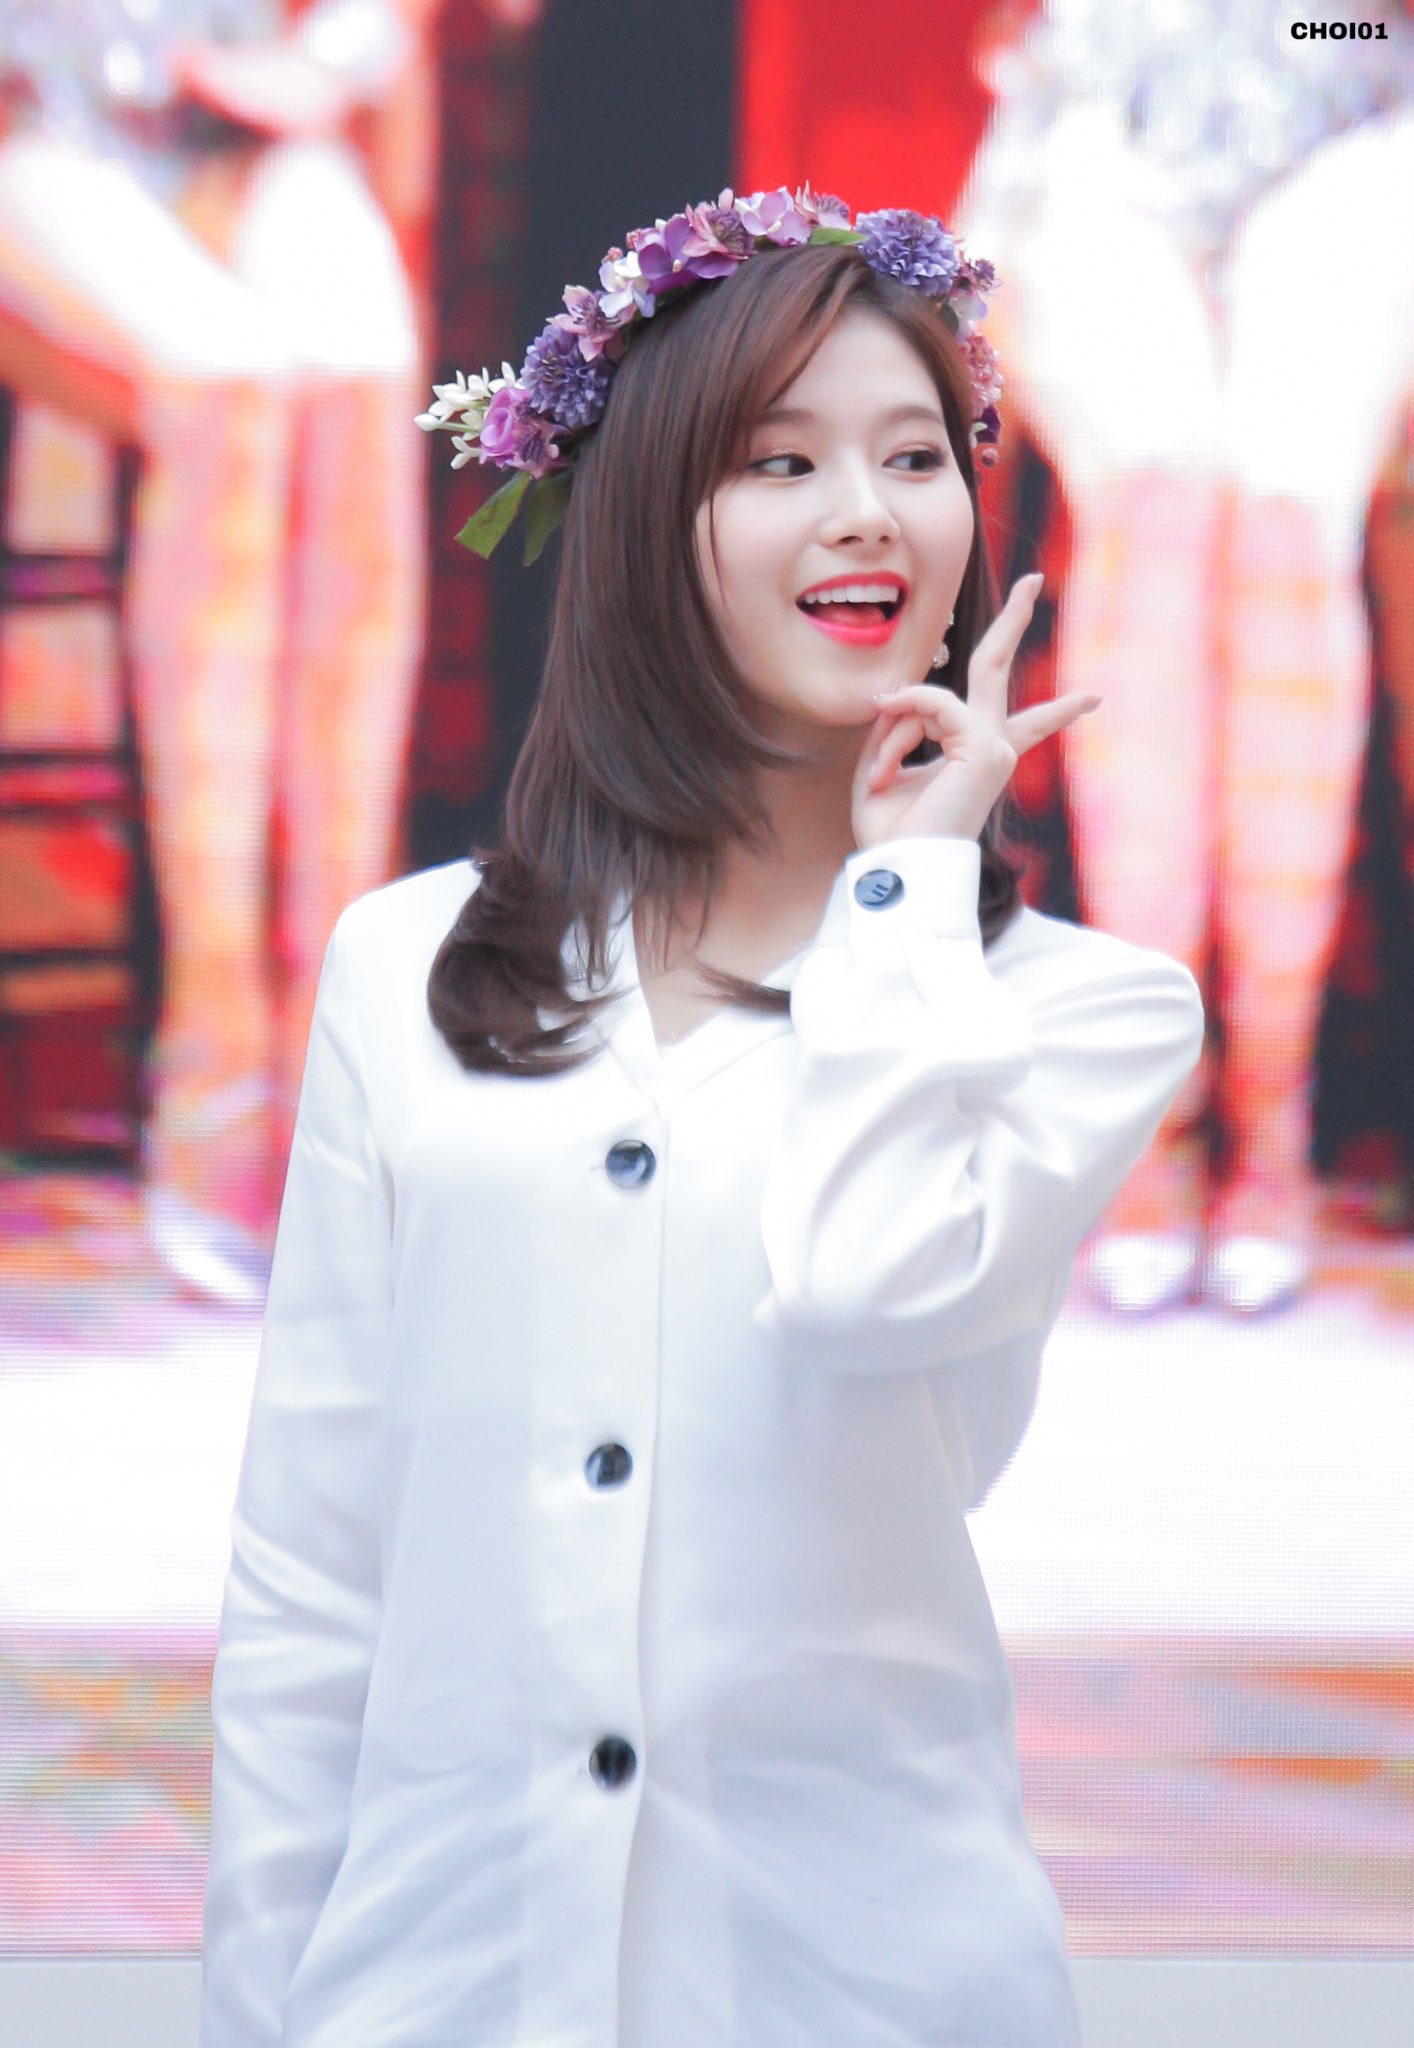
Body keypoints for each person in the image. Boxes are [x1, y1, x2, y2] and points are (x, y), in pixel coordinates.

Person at [196, 188, 1205, 2047]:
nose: (866, 511)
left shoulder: (1078, 1010)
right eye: (780, 461)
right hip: (440, 1988)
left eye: (915, 455)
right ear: (647, 521)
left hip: (863, 1986)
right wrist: (261, 2011)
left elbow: (867, 1288)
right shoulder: (399, 968)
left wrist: (904, 896)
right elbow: (311, 1571)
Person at [952, 0, 1414, 1315]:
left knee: (1283, 537)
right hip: (1107, 81)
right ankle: (1153, 1112)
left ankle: (1271, 1117)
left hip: (1346, 67)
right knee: (1155, 521)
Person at [0, 0, 438, 1306]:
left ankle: (337, 1055)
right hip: (43, 111)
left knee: (361, 392)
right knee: (229, 385)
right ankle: (213, 1064)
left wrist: (328, 60)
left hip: (251, 122)